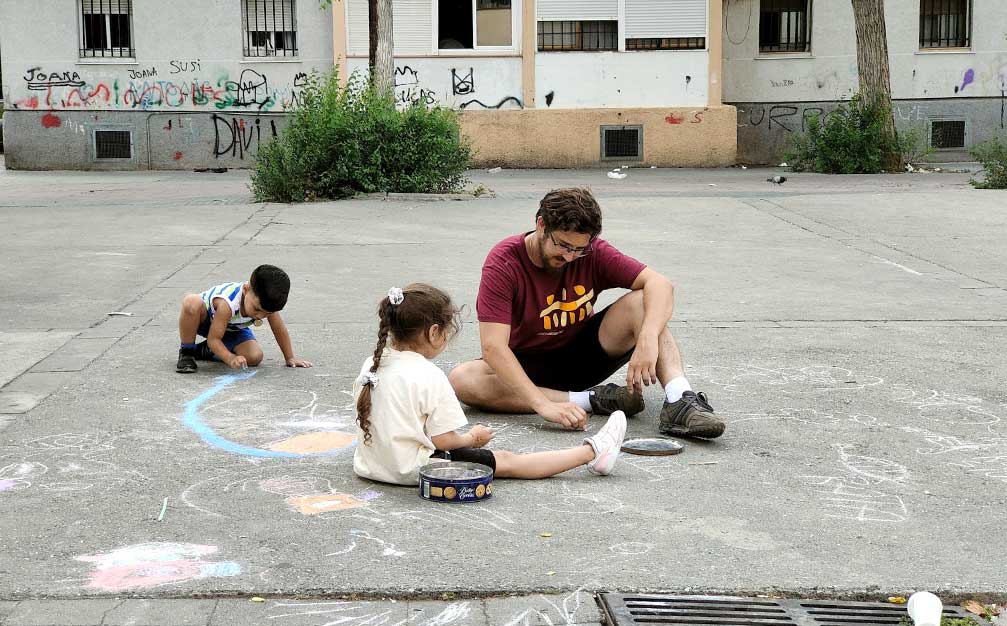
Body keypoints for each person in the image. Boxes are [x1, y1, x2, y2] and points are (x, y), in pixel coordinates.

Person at [448, 187, 725, 439]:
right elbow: (493, 347)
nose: (570, 257)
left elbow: (661, 284)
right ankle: (593, 400)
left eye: (579, 249)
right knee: (462, 380)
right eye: (563, 245)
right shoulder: (504, 262)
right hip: (526, 366)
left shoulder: (593, 252)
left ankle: (680, 400)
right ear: (541, 224)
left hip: (582, 354)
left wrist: (648, 338)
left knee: (643, 302)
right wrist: (544, 406)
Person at [352, 284, 627, 486]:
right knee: (507, 461)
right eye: (448, 330)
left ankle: (592, 452)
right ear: (434, 332)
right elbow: (444, 441)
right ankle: (593, 452)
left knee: (492, 457)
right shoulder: (428, 374)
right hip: (412, 471)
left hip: (372, 466)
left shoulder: (373, 363)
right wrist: (472, 439)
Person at [175, 264, 312, 373]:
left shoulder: (266, 306)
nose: (260, 316)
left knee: (254, 357)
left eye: (267, 314)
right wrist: (230, 358)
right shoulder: (227, 304)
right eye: (257, 309)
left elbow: (279, 329)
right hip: (205, 320)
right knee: (191, 302)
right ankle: (187, 351)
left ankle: (204, 350)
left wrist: (290, 358)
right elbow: (213, 338)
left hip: (231, 328)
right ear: (246, 290)